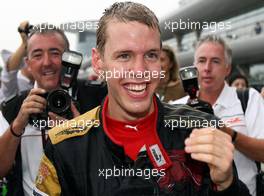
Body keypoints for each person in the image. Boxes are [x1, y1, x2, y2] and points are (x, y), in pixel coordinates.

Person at [34, 2, 250, 196]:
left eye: (151, 55)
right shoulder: (64, 144)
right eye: (124, 56)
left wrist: (227, 185)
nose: (140, 71)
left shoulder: (201, 128)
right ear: (99, 63)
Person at [0, 25, 106, 196]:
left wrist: (81, 138)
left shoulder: (98, 98)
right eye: (37, 55)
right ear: (28, 63)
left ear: (69, 58)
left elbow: (115, 166)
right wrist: (18, 124)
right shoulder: (12, 107)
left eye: (55, 53)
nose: (47, 62)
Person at [172, 35, 264, 196]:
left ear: (227, 69)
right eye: (201, 61)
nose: (207, 68)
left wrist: (227, 133)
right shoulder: (176, 107)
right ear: (194, 66)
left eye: (215, 61)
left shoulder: (248, 98)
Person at [0, 21, 34, 104]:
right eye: (37, 56)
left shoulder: (40, 83)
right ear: (26, 62)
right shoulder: (15, 83)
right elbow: (10, 70)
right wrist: (24, 43)